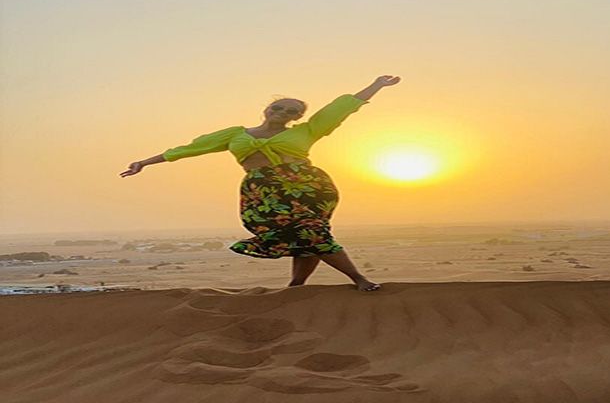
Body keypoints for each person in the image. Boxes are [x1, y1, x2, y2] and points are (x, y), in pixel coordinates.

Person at [120, 75, 401, 291]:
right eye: (279, 106)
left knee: (310, 231)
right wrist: (144, 162)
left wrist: (376, 85)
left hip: (306, 185)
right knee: (300, 236)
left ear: (297, 118)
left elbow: (341, 109)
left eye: (292, 111)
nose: (283, 112)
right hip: (261, 189)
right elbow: (190, 149)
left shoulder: (309, 130)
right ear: (268, 108)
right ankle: (296, 288)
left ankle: (359, 279)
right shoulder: (235, 134)